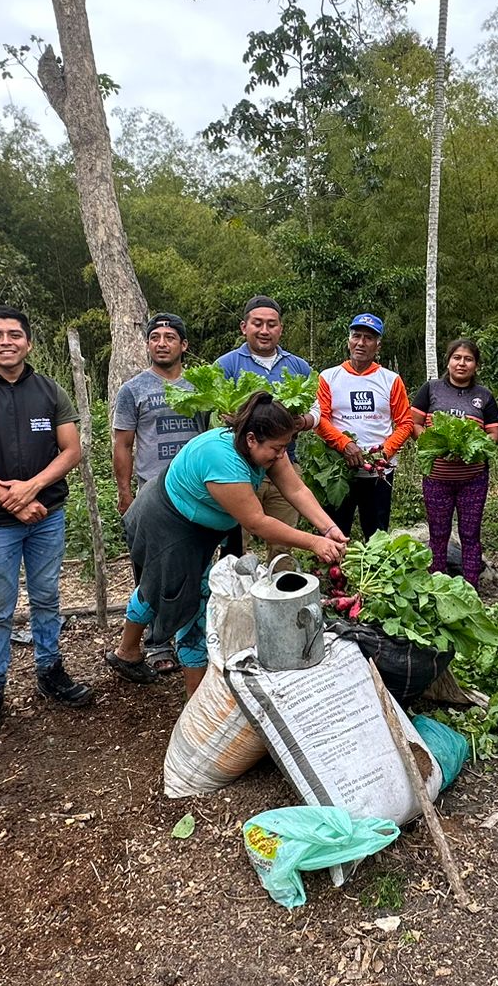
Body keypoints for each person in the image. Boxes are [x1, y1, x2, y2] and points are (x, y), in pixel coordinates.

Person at [106, 393, 347, 694]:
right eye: (276, 449)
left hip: (198, 524)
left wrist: (328, 528)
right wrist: (313, 543)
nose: (280, 455)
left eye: (284, 448)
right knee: (190, 603)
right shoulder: (222, 459)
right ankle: (196, 700)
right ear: (251, 439)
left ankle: (127, 653)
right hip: (169, 522)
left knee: (159, 584)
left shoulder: (267, 444)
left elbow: (296, 489)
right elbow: (257, 522)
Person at [0, 305, 94, 740]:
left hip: (47, 516)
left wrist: (32, 487)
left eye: (14, 334)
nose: (6, 342)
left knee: (47, 596)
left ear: (28, 343)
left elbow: (71, 450)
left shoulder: (49, 391)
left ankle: (50, 671)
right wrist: (11, 499)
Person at [111, 312, 204, 675]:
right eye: (155, 337)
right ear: (147, 344)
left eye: (170, 337)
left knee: (194, 570)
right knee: (151, 573)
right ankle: (156, 642)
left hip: (195, 494)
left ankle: (189, 638)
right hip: (152, 494)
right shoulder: (133, 390)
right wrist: (125, 493)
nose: (161, 343)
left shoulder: (201, 387)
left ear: (184, 345)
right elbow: (123, 444)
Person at [216, 296, 320, 559]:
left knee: (283, 545)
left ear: (280, 329)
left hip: (286, 464)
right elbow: (217, 413)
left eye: (271, 324)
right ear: (244, 327)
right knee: (235, 545)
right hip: (239, 468)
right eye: (257, 323)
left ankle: (281, 585)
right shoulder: (226, 365)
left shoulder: (298, 366)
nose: (264, 330)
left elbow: (317, 409)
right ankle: (235, 585)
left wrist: (303, 422)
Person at [315, 313, 414, 539]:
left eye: (368, 338)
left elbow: (405, 422)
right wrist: (345, 445)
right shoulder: (329, 377)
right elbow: (320, 419)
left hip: (378, 473)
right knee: (334, 532)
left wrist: (385, 452)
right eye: (356, 336)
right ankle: (335, 563)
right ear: (348, 340)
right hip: (338, 470)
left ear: (378, 345)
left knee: (377, 534)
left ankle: (374, 564)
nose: (361, 343)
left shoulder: (391, 379)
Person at [411, 338, 498, 586]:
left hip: (473, 480)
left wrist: (474, 449)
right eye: (457, 358)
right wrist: (435, 443)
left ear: (476, 365)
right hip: (437, 479)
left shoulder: (484, 396)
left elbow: (494, 433)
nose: (462, 363)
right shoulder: (431, 389)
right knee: (438, 534)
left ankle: (470, 587)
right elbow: (414, 424)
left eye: (468, 359)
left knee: (470, 534)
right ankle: (437, 585)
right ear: (448, 361)